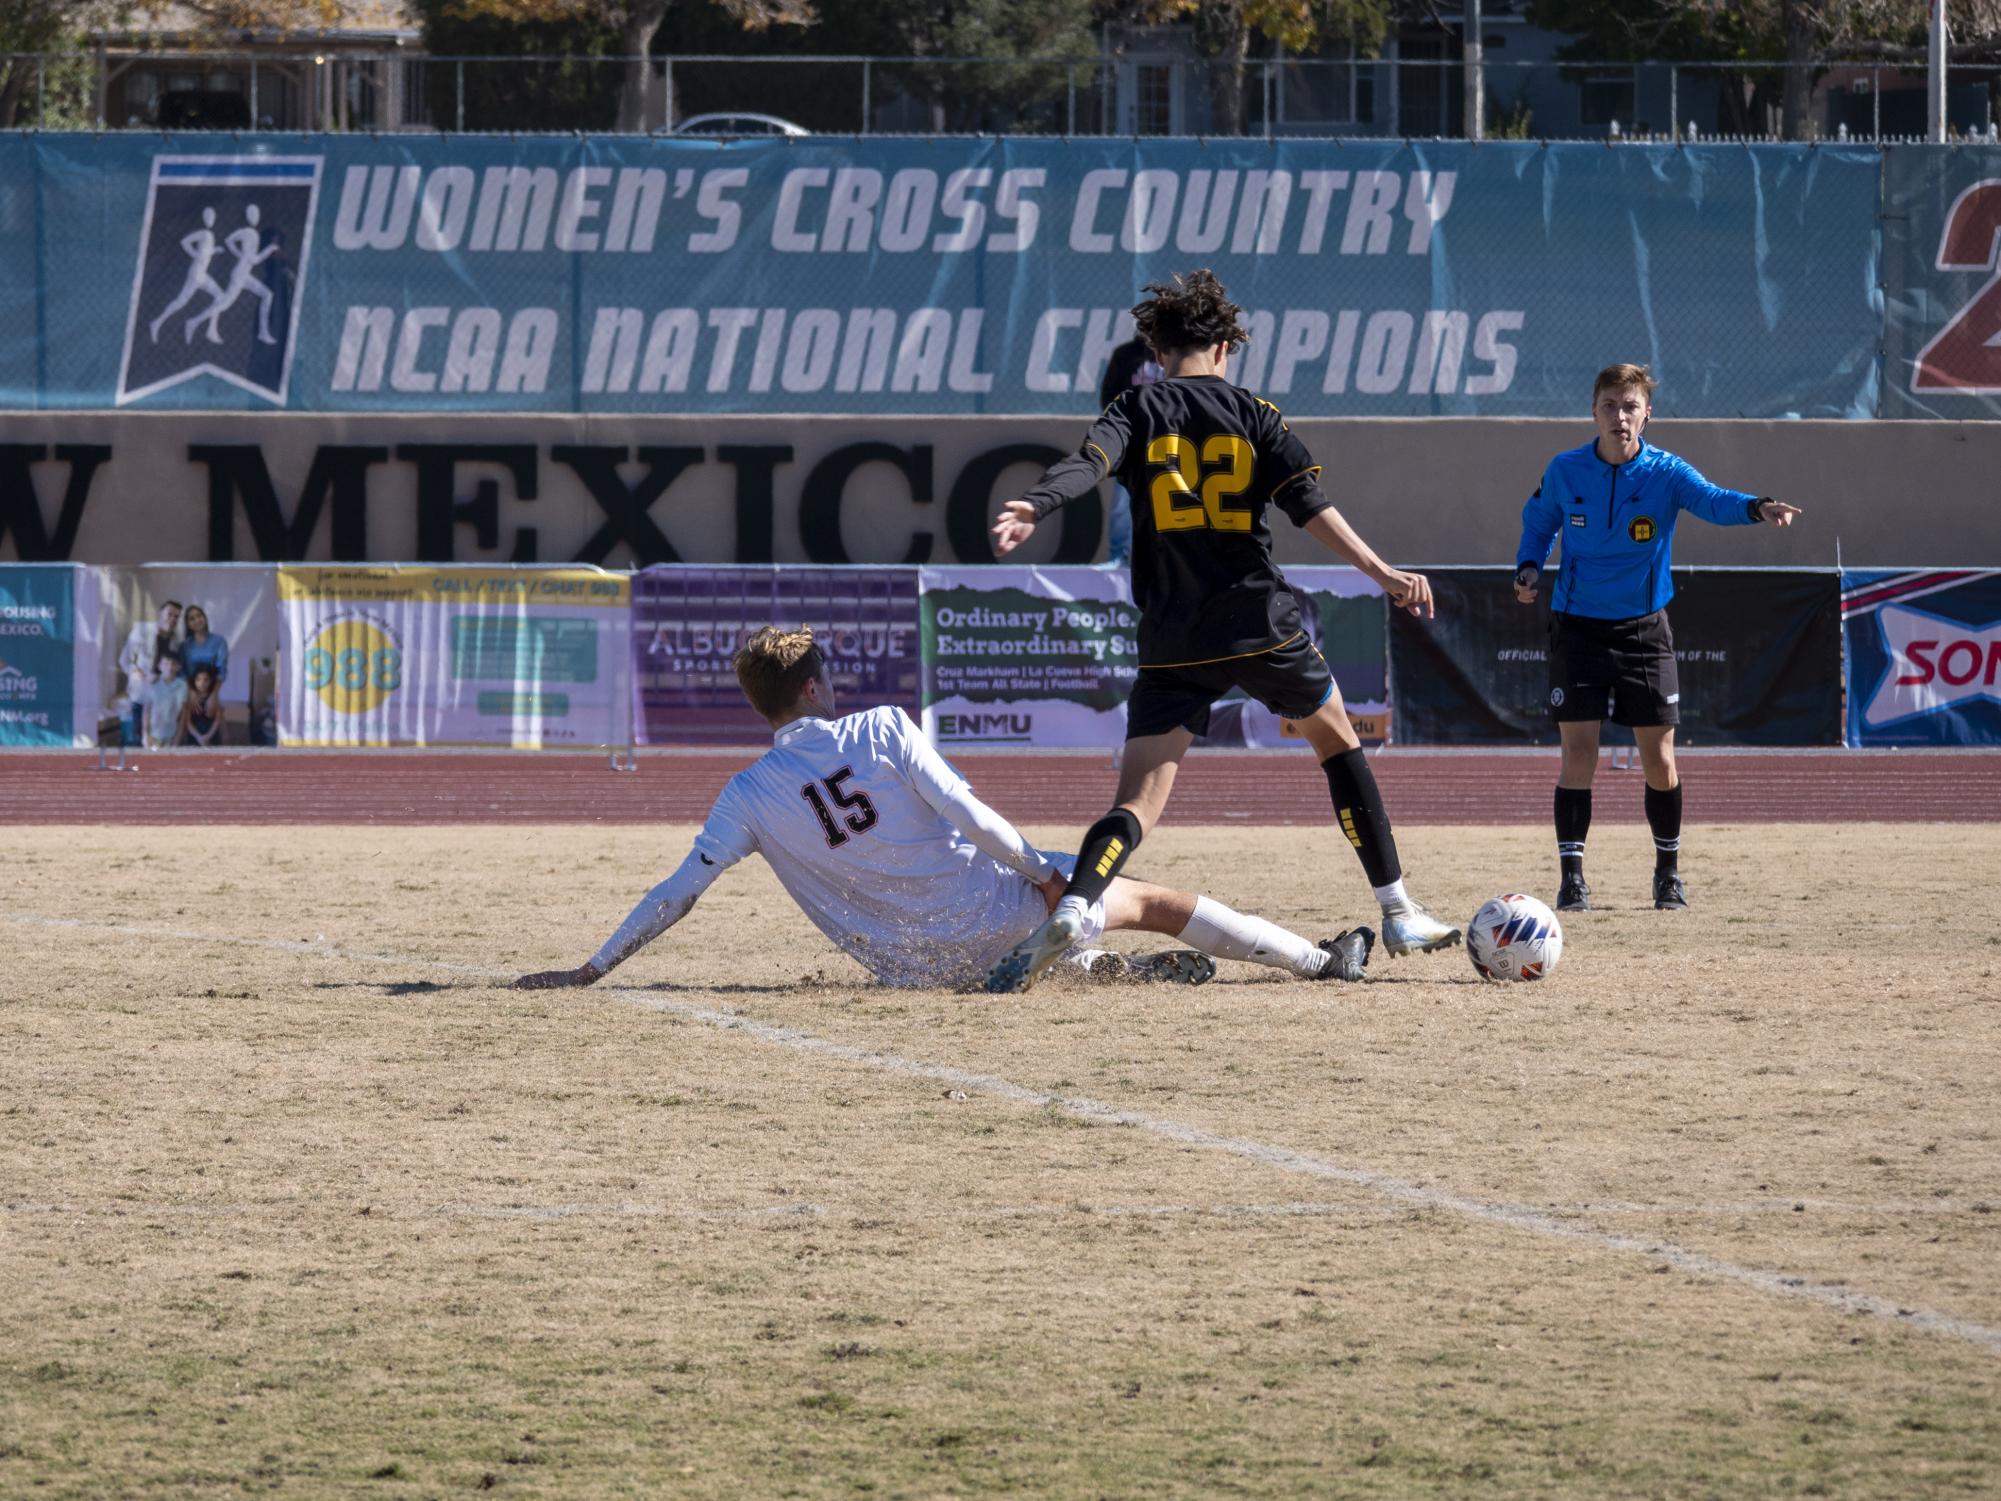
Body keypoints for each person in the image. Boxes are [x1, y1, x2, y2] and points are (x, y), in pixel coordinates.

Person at [982, 270, 1460, 995]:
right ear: (1226, 344)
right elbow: (1308, 505)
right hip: (1255, 622)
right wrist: (1381, 571)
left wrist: (1034, 504)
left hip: (1172, 634)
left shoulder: (1134, 405)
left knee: (1136, 802)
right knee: (1337, 743)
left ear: (1155, 344)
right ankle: (1396, 910)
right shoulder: (1253, 412)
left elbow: (1088, 464)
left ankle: (1078, 904)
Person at [516, 626, 1374, 993]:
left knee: (1053, 938)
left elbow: (677, 893)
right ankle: (1319, 961)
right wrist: (1048, 877)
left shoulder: (744, 794)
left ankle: (1089, 970)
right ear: (814, 686)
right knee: (1143, 898)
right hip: (993, 916)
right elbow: (973, 818)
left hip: (913, 967)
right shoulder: (881, 726)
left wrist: (593, 967)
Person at [1513, 362, 1802, 913]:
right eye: (1609, 406)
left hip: (1645, 628)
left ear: (1647, 414)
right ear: (1593, 412)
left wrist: (1757, 507)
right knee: (1578, 754)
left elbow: (1712, 500)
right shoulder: (1565, 469)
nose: (1619, 417)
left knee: (1660, 761)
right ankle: (1572, 878)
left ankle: (1667, 874)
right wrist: (1528, 566)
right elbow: (1539, 521)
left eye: (1629, 406)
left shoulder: (1667, 473)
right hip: (1577, 627)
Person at [1097, 336, 1164, 569]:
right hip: (1131, 442)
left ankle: (1164, 559)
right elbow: (1108, 395)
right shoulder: (1125, 354)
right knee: (1122, 501)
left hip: (1168, 441)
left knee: (1169, 499)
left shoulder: (1178, 351)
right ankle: (1119, 556)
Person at [118, 600, 181, 747]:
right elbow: (124, 660)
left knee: (154, 741)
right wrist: (139, 675)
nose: (172, 619)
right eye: (169, 614)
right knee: (136, 738)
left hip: (160, 697)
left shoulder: (175, 639)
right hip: (140, 692)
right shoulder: (142, 630)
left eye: (177, 616)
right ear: (160, 614)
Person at [178, 605, 229, 689]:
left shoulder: (219, 641)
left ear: (205, 618)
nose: (197, 620)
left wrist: (214, 694)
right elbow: (181, 672)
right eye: (192, 619)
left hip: (212, 690)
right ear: (188, 625)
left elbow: (222, 670)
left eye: (199, 616)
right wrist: (191, 692)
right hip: (188, 690)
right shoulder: (184, 646)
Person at [144, 653, 188, 750]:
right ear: (159, 666)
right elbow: (146, 711)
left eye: (173, 664)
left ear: (179, 667)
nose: (170, 667)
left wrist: (177, 739)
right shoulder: (153, 684)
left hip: (172, 735)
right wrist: (145, 734)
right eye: (166, 664)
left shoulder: (182, 686)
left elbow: (183, 715)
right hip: (154, 735)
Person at [177, 665, 224, 747]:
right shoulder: (190, 699)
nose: (202, 683)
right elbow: (187, 722)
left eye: (206, 680)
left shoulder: (213, 699)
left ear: (211, 681)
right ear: (193, 681)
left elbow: (217, 720)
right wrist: (199, 737)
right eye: (198, 679)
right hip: (194, 735)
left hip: (211, 735)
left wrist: (208, 736)